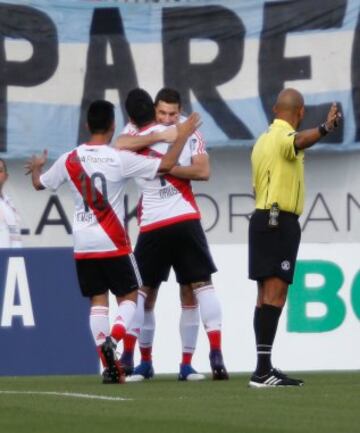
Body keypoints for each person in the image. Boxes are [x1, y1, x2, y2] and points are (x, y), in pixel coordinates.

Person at [25, 100, 200, 384]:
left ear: (86, 126)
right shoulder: (119, 157)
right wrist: (181, 135)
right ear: (112, 126)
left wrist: (36, 167)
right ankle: (115, 339)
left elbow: (38, 184)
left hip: (83, 244)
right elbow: (167, 165)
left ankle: (109, 367)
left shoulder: (69, 159)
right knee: (131, 297)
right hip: (113, 241)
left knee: (98, 302)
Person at [116, 88, 228, 382]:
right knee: (147, 293)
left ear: (180, 111)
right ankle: (142, 361)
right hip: (161, 221)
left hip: (172, 218)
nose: (167, 118)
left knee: (191, 289)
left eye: (172, 114)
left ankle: (194, 361)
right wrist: (168, 141)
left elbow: (203, 171)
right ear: (154, 110)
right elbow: (121, 144)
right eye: (162, 113)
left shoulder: (189, 132)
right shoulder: (140, 130)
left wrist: (164, 168)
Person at [248, 88, 341, 388]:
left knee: (264, 297)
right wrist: (325, 128)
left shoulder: (262, 142)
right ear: (300, 112)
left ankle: (263, 367)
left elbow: (254, 188)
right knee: (275, 294)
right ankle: (263, 371)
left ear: (275, 108)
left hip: (262, 218)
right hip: (279, 221)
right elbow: (298, 141)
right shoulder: (283, 137)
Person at [0, 158, 22, 248]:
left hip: (11, 258)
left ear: (6, 176)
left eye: (0, 171)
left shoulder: (9, 203)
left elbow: (16, 236)